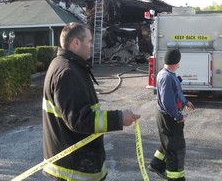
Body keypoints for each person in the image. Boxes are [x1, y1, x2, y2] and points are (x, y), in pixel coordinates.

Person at [42, 22, 141, 181]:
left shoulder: (63, 64)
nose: (92, 46)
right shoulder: (68, 72)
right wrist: (119, 118)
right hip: (73, 170)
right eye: (89, 41)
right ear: (76, 43)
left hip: (70, 165)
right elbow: (80, 119)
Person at [148, 48, 194, 181]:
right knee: (176, 149)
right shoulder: (167, 77)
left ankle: (156, 165)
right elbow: (168, 103)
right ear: (177, 62)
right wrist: (178, 117)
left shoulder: (167, 74)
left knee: (168, 143)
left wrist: (185, 102)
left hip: (166, 117)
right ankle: (175, 178)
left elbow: (176, 93)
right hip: (168, 118)